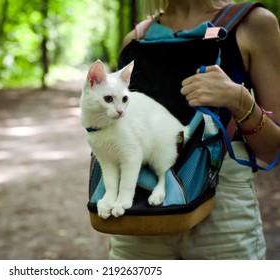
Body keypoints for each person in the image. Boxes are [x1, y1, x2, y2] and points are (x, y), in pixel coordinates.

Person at [109, 0, 280, 260]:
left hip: (223, 215)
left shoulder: (254, 23)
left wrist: (240, 101)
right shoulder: (134, 40)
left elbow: (273, 150)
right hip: (138, 212)